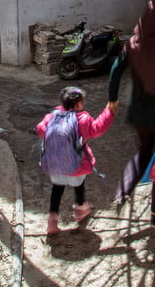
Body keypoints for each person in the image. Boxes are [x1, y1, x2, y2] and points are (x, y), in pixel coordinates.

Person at [108, 0, 155, 224]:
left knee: (144, 152)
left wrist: (112, 99)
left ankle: (122, 191)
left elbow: (115, 71)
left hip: (140, 111)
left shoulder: (133, 44)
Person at [36, 86, 116, 235]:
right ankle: (80, 209)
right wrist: (109, 111)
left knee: (57, 189)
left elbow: (41, 130)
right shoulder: (82, 119)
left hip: (55, 164)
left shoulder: (52, 116)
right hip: (76, 165)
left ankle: (52, 221)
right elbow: (97, 129)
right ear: (78, 103)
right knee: (79, 185)